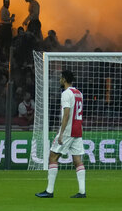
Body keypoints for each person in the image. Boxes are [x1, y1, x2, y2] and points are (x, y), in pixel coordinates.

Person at [35, 69, 86, 199]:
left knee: (52, 157)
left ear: (64, 79)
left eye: (60, 78)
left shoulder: (66, 94)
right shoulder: (79, 93)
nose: (59, 80)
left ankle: (49, 191)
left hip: (68, 131)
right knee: (77, 160)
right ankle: (82, 191)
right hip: (78, 130)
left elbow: (67, 114)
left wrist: (61, 133)